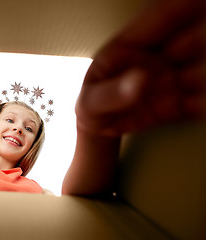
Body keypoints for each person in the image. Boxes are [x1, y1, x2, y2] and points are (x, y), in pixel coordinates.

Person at [62, 0, 205, 196]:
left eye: (29, 128)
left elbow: (78, 206)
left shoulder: (36, 191)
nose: (18, 129)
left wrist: (95, 133)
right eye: (9, 119)